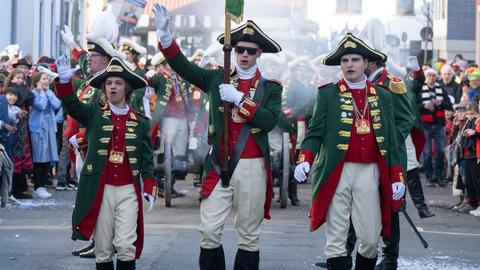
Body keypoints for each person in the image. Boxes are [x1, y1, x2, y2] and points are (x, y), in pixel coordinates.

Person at [153, 4, 282, 269]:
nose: (244, 55)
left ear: (259, 54)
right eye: (239, 49)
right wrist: (166, 37)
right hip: (219, 163)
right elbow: (184, 68)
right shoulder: (216, 78)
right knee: (209, 230)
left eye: (250, 51)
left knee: (248, 235)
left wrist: (240, 100)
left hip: (252, 165)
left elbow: (269, 121)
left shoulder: (270, 88)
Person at [294, 33, 406, 269]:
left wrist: (397, 175)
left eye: (355, 60)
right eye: (345, 61)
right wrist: (305, 158)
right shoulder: (327, 94)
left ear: (366, 63)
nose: (349, 65)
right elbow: (314, 133)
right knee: (336, 238)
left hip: (370, 172)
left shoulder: (383, 95)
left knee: (369, 240)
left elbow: (391, 142)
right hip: (337, 170)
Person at [55, 55, 157, 270]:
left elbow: (147, 160)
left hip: (128, 190)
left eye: (118, 83)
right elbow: (73, 105)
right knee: (102, 248)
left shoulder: (140, 122)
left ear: (127, 88)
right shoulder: (93, 114)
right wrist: (64, 83)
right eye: (108, 83)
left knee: (125, 245)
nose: (112, 87)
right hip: (100, 189)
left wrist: (149, 185)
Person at [60, 10, 125, 258]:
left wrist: (84, 139)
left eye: (93, 55)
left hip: (94, 150)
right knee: (89, 198)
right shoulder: (94, 78)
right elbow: (85, 61)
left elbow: (106, 121)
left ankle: (103, 243)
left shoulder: (107, 84)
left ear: (106, 59)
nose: (88, 59)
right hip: (82, 149)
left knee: (98, 199)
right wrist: (73, 45)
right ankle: (97, 240)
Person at [418, 68, 453, 187]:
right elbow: (414, 105)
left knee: (440, 151)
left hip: (439, 124)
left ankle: (438, 177)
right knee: (427, 153)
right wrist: (424, 105)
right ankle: (429, 178)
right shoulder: (420, 89)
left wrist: (441, 103)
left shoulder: (441, 89)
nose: (431, 77)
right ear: (426, 77)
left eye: (433, 76)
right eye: (429, 75)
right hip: (425, 124)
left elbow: (449, 105)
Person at [29, 72, 61, 199]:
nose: (46, 81)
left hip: (49, 126)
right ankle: (38, 186)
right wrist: (41, 91)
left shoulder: (48, 92)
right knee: (39, 156)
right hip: (38, 127)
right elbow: (41, 105)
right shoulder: (33, 93)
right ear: (37, 80)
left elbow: (57, 104)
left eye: (47, 79)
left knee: (48, 155)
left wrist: (47, 92)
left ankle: (42, 185)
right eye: (43, 79)